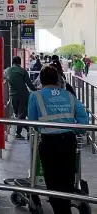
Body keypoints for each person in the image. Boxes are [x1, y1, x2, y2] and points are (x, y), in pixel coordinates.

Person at [27, 66, 89, 214]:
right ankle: (65, 209)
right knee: (67, 181)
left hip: (49, 144)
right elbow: (83, 120)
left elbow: (33, 121)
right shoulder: (69, 95)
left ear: (41, 81)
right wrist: (74, 129)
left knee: (53, 182)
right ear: (58, 80)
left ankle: (61, 211)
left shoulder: (36, 96)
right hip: (69, 142)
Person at [3, 56, 36, 139]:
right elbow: (29, 84)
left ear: (12, 62)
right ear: (20, 62)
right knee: (21, 115)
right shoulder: (23, 71)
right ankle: (21, 132)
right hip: (23, 95)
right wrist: (36, 90)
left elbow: (3, 78)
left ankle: (26, 130)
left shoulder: (7, 71)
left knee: (17, 115)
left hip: (12, 95)